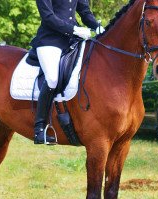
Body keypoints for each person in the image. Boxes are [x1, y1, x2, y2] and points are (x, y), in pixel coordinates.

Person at [31, 0, 105, 144]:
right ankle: (39, 129)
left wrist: (97, 26)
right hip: (50, 40)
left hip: (73, 40)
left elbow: (84, 12)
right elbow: (48, 17)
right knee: (52, 78)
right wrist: (73, 29)